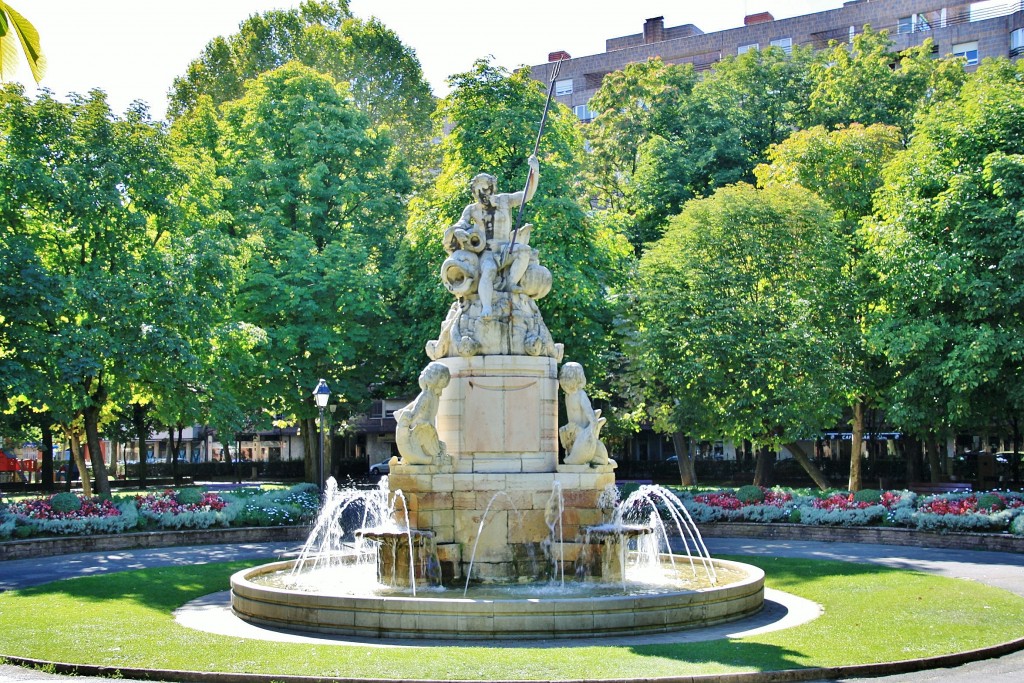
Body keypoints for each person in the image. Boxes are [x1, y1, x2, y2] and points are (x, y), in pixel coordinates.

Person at [449, 155, 539, 319]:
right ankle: (487, 307)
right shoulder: (472, 209)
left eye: (485, 189)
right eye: (477, 191)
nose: (481, 194)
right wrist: (459, 231)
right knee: (488, 271)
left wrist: (535, 171)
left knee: (524, 251)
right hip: (488, 252)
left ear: (492, 188)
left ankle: (511, 284)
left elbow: (527, 195)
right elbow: (460, 223)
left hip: (507, 247)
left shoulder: (505, 200)